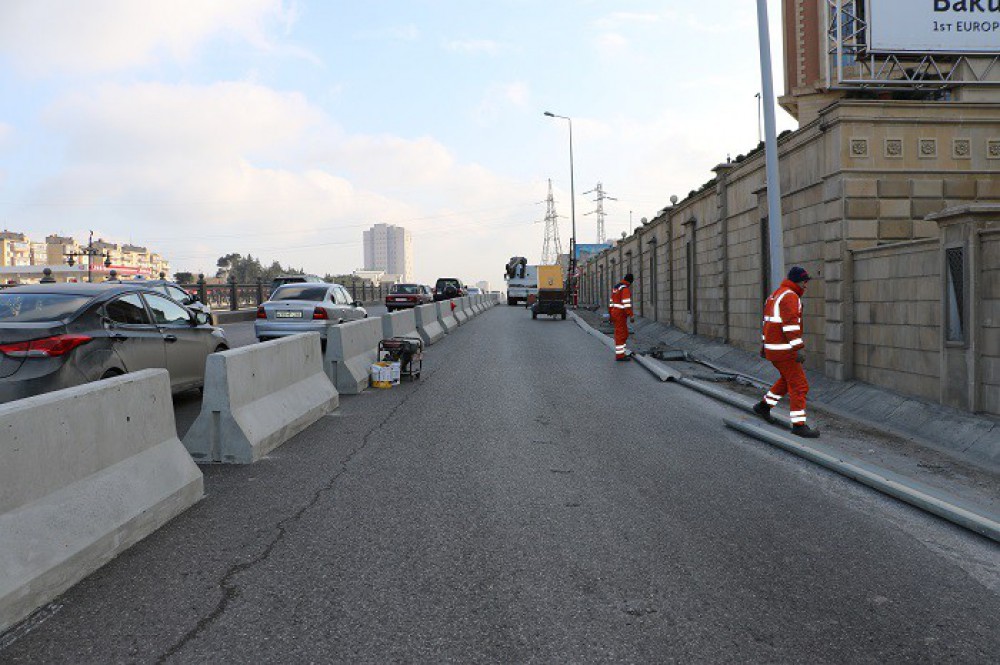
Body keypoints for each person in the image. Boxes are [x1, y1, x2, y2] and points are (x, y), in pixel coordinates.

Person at [753, 266, 820, 438]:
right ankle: (799, 425)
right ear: (799, 281)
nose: (806, 285)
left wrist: (763, 345)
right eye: (805, 282)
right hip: (785, 350)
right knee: (799, 385)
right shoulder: (791, 296)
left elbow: (766, 323)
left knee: (786, 380)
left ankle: (764, 407)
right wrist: (798, 349)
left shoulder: (775, 294)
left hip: (773, 348)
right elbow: (790, 326)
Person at [608, 273, 635, 361]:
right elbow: (626, 303)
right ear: (630, 282)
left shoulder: (616, 287)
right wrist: (631, 315)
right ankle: (620, 355)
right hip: (620, 314)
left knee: (623, 333)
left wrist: (610, 314)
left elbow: (611, 302)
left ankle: (622, 353)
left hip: (615, 313)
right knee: (621, 334)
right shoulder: (625, 289)